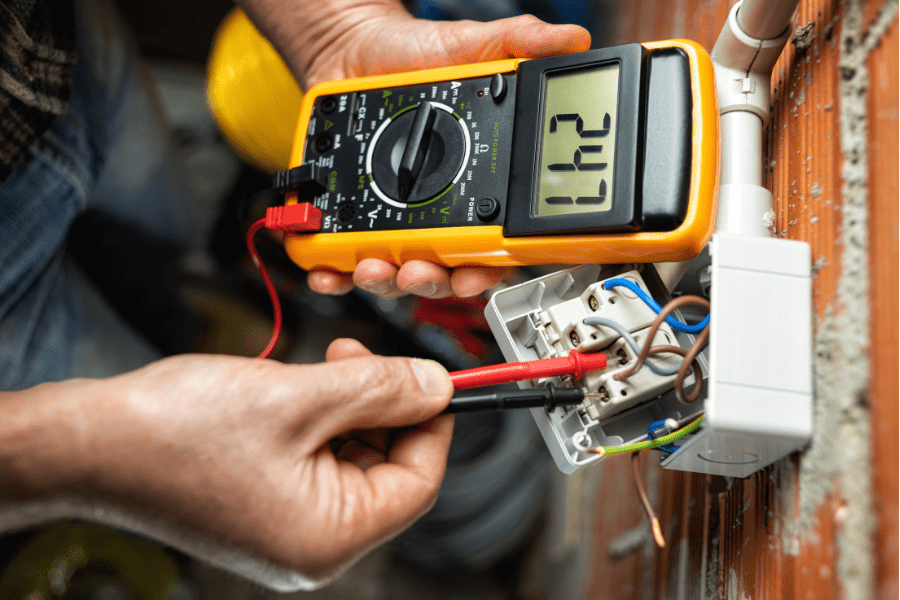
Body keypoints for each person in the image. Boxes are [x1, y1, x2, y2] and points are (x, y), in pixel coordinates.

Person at [0, 0, 589, 590]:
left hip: (56, 53)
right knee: (128, 366)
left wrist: (336, 28)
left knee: (168, 250)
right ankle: (200, 355)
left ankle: (202, 334)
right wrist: (85, 450)